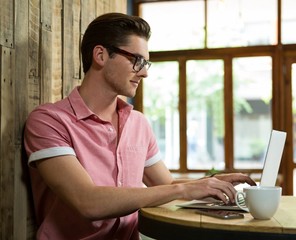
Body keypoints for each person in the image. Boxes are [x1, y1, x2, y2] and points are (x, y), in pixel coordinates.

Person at [24, 12, 256, 240]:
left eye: (146, 63)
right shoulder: (48, 121)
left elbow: (167, 185)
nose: (144, 72)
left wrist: (209, 185)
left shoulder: (138, 123)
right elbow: (87, 201)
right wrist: (185, 190)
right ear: (101, 55)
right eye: (137, 60)